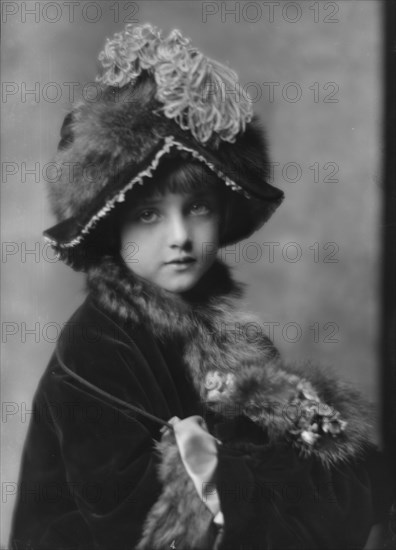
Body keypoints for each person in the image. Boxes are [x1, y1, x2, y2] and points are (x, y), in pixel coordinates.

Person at [9, 23, 394, 550]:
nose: (180, 238)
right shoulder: (94, 350)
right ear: (113, 226)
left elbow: (344, 482)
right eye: (148, 214)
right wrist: (258, 481)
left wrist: (248, 475)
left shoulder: (225, 333)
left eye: (198, 207)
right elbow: (137, 523)